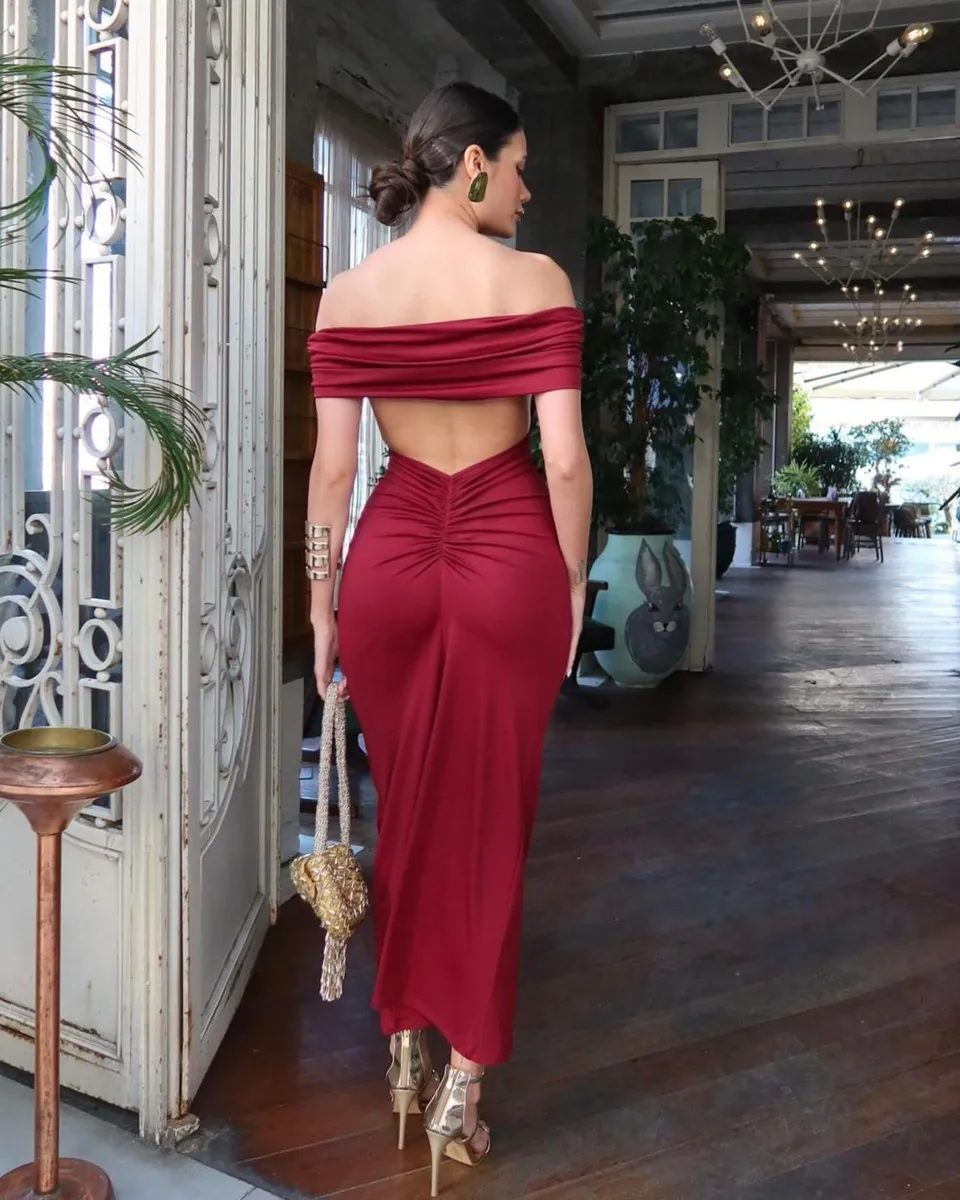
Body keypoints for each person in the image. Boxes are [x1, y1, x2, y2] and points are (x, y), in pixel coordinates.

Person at [305, 82, 593, 1197]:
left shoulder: (350, 294)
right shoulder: (536, 281)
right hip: (508, 555)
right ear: (472, 165)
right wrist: (570, 578)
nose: (526, 189)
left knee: (412, 809)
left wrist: (321, 603)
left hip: (387, 564)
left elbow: (335, 473)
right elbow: (562, 460)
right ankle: (463, 1082)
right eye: (517, 168)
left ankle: (403, 1047)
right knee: (491, 821)